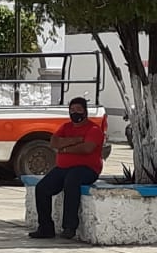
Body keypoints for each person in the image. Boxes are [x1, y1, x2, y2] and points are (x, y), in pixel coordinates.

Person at [28, 96, 105, 241]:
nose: (75, 113)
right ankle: (45, 228)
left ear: (85, 112)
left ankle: (69, 227)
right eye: (72, 110)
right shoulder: (65, 127)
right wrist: (75, 140)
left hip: (86, 169)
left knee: (72, 181)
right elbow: (54, 142)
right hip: (63, 168)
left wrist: (64, 148)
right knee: (42, 188)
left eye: (79, 110)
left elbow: (87, 148)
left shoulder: (93, 129)